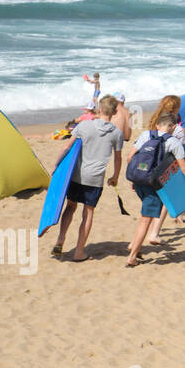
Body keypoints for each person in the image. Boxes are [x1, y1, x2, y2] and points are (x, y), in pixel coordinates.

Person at [53, 95, 123, 262]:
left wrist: (56, 165)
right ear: (114, 112)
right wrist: (115, 177)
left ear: (99, 109)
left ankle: (60, 239)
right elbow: (117, 158)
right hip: (95, 178)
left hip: (77, 174)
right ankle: (79, 252)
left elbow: (66, 147)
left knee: (70, 206)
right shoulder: (116, 133)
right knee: (88, 213)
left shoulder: (84, 125)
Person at [126, 111, 185, 267]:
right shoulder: (174, 142)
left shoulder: (146, 135)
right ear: (173, 127)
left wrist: (136, 177)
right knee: (145, 220)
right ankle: (132, 256)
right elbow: (184, 169)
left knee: (146, 214)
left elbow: (130, 157)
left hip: (139, 180)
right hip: (153, 185)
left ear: (157, 125)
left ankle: (134, 245)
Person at [142, 95, 183, 247]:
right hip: (166, 166)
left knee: (156, 200)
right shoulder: (175, 128)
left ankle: (152, 231)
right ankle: (154, 233)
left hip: (150, 164)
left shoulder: (155, 121)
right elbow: (178, 149)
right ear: (175, 109)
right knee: (167, 199)